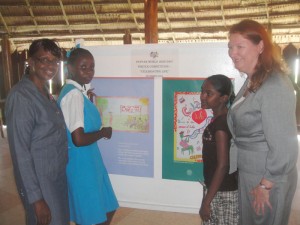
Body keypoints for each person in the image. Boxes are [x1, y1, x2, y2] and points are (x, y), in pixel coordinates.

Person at [227, 19, 298, 225]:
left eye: (240, 46)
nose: (233, 52)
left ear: (260, 46)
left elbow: (285, 146)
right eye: (230, 47)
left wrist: (266, 185)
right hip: (253, 170)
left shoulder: (274, 84)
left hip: (267, 176)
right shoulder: (253, 80)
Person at [5, 39, 69, 225]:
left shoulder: (44, 93)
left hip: (56, 177)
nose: (51, 65)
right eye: (44, 59)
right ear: (31, 62)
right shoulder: (21, 97)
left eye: (55, 61)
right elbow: (20, 153)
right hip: (40, 183)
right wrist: (36, 199)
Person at [57, 48, 119, 225]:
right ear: (70, 68)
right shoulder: (74, 95)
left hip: (90, 159)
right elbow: (78, 139)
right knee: (91, 215)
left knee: (108, 206)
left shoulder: (77, 93)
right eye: (83, 67)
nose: (89, 71)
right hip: (81, 162)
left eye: (92, 67)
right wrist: (103, 133)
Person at [199, 74, 238, 224]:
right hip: (217, 189)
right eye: (202, 91)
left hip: (222, 192)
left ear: (223, 98)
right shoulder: (220, 120)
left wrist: (206, 202)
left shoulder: (221, 125)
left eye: (209, 93)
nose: (202, 96)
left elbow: (223, 165)